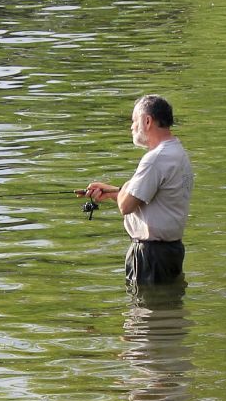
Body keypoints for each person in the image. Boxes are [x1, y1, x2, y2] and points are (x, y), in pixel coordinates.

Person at [82, 94, 194, 285]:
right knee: (166, 308)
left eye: (134, 121)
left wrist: (124, 188)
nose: (132, 127)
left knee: (145, 312)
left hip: (151, 256)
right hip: (170, 252)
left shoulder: (155, 159)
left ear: (147, 121)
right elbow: (150, 198)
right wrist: (113, 192)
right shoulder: (177, 152)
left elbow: (126, 205)